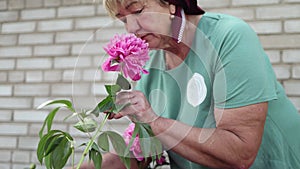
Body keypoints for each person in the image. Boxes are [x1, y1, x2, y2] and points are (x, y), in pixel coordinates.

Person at [81, 0, 300, 168]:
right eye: (122, 19)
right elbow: (142, 152)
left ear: (171, 5)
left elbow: (240, 153)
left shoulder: (228, 36)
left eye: (138, 10)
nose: (130, 28)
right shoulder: (147, 66)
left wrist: (153, 121)